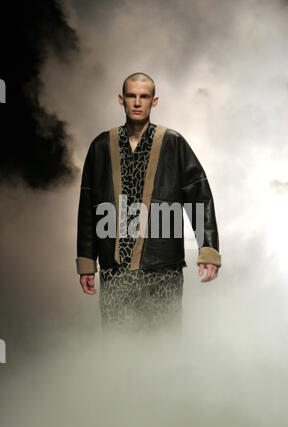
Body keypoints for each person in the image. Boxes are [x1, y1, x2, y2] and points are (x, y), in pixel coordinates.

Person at [76, 72, 221, 333]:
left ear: (154, 101)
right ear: (121, 99)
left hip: (163, 271)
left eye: (144, 97)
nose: (137, 102)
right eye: (131, 96)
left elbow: (199, 195)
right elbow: (88, 207)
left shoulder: (173, 143)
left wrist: (208, 250)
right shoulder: (101, 146)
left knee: (163, 349)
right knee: (118, 348)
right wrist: (88, 261)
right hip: (115, 271)